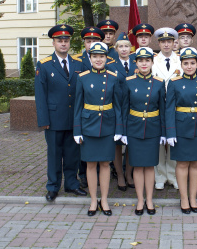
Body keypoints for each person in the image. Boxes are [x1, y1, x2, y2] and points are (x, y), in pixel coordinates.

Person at [35, 24, 87, 202]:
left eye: (66, 40)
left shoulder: (78, 63)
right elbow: (40, 95)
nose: (63, 44)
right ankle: (53, 186)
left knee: (73, 154)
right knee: (55, 154)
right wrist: (43, 119)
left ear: (69, 42)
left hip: (74, 118)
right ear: (53, 43)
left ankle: (72, 184)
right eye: (60, 41)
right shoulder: (44, 65)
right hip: (54, 119)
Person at [73, 42, 124, 216]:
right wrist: (77, 130)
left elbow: (118, 106)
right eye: (95, 56)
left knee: (105, 163)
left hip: (108, 126)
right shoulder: (82, 77)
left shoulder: (113, 77)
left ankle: (104, 199)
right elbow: (78, 106)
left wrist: (119, 129)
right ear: (90, 58)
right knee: (90, 164)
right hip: (88, 126)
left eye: (101, 56)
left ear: (106, 58)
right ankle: (93, 200)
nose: (98, 59)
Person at [166, 47, 197, 214]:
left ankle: (193, 198)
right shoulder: (174, 83)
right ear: (181, 65)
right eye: (186, 63)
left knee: (196, 164)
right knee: (182, 164)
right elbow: (169, 109)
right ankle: (184, 198)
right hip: (181, 128)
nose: (189, 66)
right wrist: (170, 132)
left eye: (192, 63)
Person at [121, 47, 166, 215]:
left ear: (152, 63)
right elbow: (124, 108)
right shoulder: (128, 81)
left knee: (150, 166)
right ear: (136, 63)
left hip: (153, 128)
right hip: (134, 128)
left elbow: (163, 109)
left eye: (147, 60)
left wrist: (163, 132)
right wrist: (123, 132)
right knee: (138, 167)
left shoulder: (159, 83)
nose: (144, 63)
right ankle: (140, 200)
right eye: (141, 61)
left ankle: (150, 199)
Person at [152, 27, 181, 190]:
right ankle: (160, 177)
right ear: (159, 43)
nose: (166, 44)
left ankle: (173, 175)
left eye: (169, 41)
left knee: (173, 142)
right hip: (157, 106)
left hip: (176, 107)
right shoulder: (153, 61)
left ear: (173, 43)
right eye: (163, 42)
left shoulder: (181, 61)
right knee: (158, 143)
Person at [109, 32, 136, 191]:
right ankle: (119, 174)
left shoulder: (137, 63)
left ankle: (129, 174)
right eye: (121, 46)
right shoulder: (110, 65)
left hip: (133, 109)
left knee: (132, 143)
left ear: (130, 48)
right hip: (116, 108)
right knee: (117, 145)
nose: (124, 49)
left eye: (126, 46)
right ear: (116, 48)